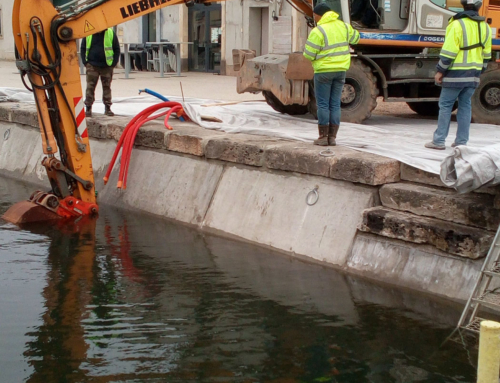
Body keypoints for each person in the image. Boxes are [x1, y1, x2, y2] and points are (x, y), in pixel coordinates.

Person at [425, 0, 492, 150]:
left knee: (445, 105)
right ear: (478, 7)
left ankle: (439, 141)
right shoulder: (485, 27)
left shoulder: (457, 24)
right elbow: (487, 54)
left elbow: (449, 52)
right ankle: (462, 142)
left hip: (456, 73)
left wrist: (440, 70)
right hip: (473, 74)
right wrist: (480, 71)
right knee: (465, 106)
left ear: (463, 5)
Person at [303, 2, 360, 146]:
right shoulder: (344, 26)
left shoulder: (318, 31)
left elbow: (308, 54)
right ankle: (332, 137)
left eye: (314, 15)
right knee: (335, 104)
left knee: (323, 104)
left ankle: (323, 137)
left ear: (319, 15)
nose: (314, 18)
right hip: (340, 71)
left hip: (323, 72)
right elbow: (356, 39)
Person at [80, 28, 120, 117]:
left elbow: (117, 49)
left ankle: (107, 108)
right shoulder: (88, 33)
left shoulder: (110, 33)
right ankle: (88, 108)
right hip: (92, 65)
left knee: (107, 87)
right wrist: (85, 62)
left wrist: (113, 64)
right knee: (90, 87)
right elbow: (83, 48)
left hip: (106, 66)